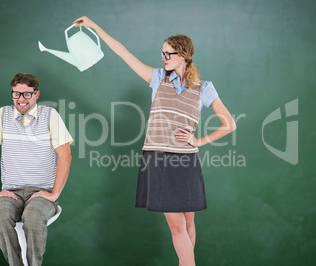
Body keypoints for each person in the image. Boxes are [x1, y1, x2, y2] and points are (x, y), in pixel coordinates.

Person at [73, 16, 237, 266]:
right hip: (158, 160)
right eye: (162, 53)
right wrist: (94, 27)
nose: (163, 57)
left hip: (186, 162)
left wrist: (199, 141)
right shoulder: (157, 77)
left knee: (189, 222)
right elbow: (123, 53)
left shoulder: (204, 88)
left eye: (168, 54)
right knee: (177, 226)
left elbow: (229, 124)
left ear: (183, 56)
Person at [0, 72, 73, 265]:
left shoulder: (50, 115)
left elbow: (65, 155)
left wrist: (54, 193)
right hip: (11, 192)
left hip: (41, 192)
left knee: (32, 218)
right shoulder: (3, 114)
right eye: (16, 93)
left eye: (26, 94)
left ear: (36, 94)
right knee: (0, 219)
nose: (21, 99)